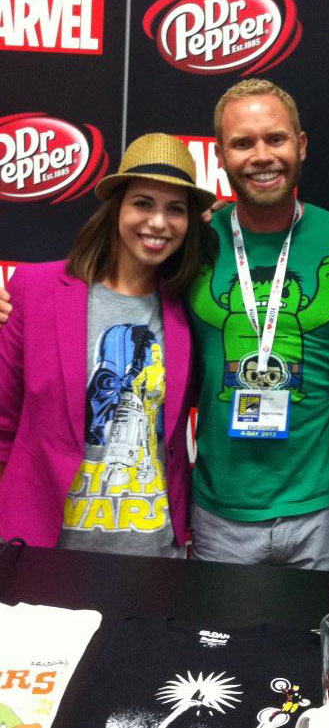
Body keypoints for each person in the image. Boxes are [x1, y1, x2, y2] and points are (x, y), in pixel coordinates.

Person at [0, 133, 215, 555]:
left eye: (176, 209)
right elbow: (3, 422)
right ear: (116, 207)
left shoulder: (189, 306)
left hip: (153, 553)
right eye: (143, 203)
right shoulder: (35, 289)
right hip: (44, 549)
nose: (158, 222)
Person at [186, 78, 329, 569]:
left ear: (300, 145)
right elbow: (116, 293)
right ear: (220, 156)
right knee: (219, 644)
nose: (262, 155)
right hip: (222, 506)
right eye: (243, 143)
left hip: (322, 501)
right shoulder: (193, 241)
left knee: (315, 645)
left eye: (276, 139)